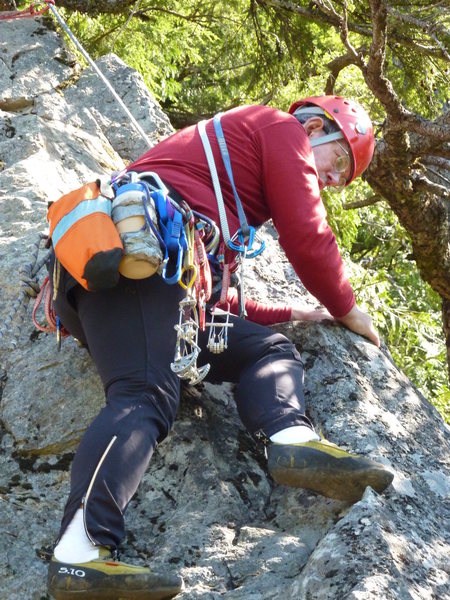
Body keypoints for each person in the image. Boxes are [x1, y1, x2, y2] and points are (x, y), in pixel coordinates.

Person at [46, 95, 394, 600]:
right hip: (134, 263)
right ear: (315, 127)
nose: (335, 181)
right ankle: (78, 554)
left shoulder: (232, 194)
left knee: (269, 349)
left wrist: (293, 314)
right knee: (145, 393)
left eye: (343, 177)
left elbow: (214, 299)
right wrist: (345, 306)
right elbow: (307, 234)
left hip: (146, 284)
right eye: (339, 161)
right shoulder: (281, 130)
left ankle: (292, 440)